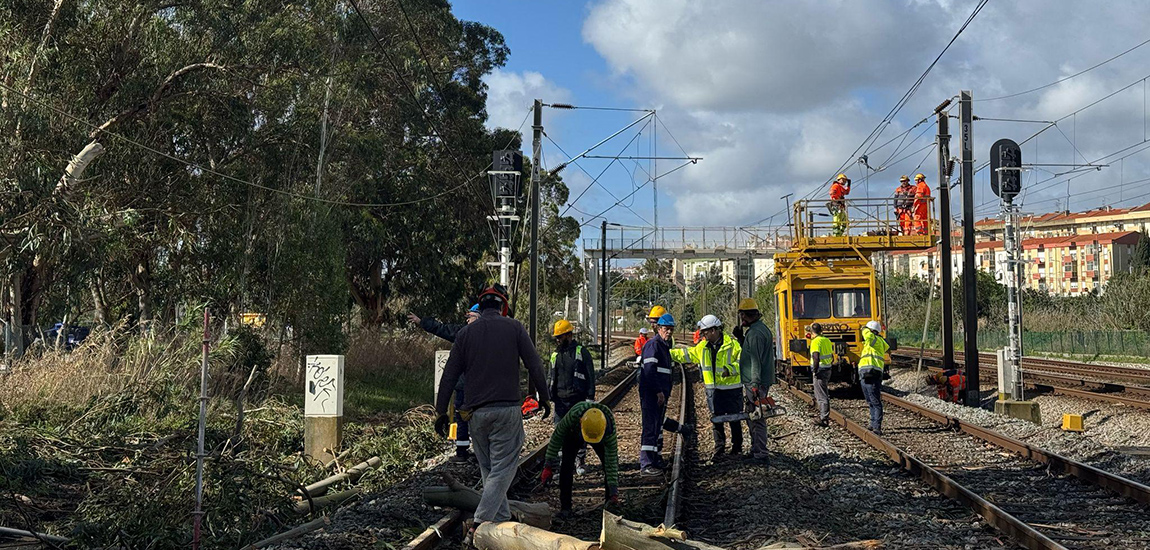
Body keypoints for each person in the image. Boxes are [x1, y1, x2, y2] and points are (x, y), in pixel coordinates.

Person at [434, 284, 551, 542]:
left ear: (481, 306)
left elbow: (449, 375)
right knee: (502, 469)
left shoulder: (466, 334)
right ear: (502, 307)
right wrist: (545, 397)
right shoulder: (514, 328)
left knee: (488, 469)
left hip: (476, 415)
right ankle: (479, 523)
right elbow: (535, 365)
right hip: (507, 411)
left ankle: (501, 521)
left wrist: (441, 412)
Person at [408, 304, 480, 462]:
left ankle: (464, 452)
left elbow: (444, 330)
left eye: (470, 316)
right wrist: (422, 322)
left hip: (469, 386)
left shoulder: (463, 334)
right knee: (468, 417)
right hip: (476, 387)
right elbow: (442, 328)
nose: (467, 319)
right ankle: (467, 450)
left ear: (478, 317)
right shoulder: (491, 335)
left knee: (465, 417)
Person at [672, 314, 743, 460]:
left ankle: (737, 447)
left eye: (705, 332)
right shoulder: (703, 347)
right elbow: (686, 354)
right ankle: (720, 448)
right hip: (713, 390)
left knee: (734, 419)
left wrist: (729, 369)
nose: (703, 335)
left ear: (714, 330)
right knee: (716, 420)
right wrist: (666, 353)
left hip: (732, 389)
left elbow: (743, 363)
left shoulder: (733, 345)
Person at [540, 402, 619, 518]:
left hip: (598, 436)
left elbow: (611, 462)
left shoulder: (609, 429)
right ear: (581, 421)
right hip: (574, 433)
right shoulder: (573, 416)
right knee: (566, 465)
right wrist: (548, 465)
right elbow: (557, 437)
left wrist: (614, 491)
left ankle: (610, 505)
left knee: (607, 464)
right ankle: (565, 507)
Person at [637, 313, 687, 476]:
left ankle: (656, 459)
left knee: (657, 426)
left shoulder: (664, 346)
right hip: (652, 394)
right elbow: (650, 372)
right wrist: (658, 391)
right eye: (666, 329)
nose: (669, 332)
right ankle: (646, 464)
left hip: (660, 393)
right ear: (659, 328)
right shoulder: (654, 345)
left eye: (671, 329)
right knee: (650, 427)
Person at [549, 319, 596, 475]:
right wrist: (547, 393)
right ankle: (564, 463)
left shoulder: (581, 352)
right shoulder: (555, 354)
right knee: (560, 432)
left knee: (579, 432)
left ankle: (580, 461)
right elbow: (551, 375)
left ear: (569, 335)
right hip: (560, 401)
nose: (558, 340)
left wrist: (590, 396)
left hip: (577, 399)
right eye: (557, 337)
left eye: (560, 337)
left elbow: (590, 374)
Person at [737, 299, 775, 464]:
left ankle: (760, 454)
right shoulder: (757, 330)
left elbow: (755, 361)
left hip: (756, 383)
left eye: (741, 315)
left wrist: (754, 385)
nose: (741, 319)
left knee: (757, 418)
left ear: (745, 315)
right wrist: (741, 339)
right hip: (757, 382)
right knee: (752, 416)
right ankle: (756, 450)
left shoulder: (755, 334)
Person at [858, 320, 890, 435]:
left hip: (872, 373)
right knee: (870, 400)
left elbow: (867, 334)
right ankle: (873, 424)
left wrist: (863, 328)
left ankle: (877, 426)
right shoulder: (874, 341)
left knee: (875, 401)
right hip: (866, 373)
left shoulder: (874, 339)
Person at [808, 322, 833, 427]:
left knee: (821, 395)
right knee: (824, 393)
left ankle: (823, 418)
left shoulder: (815, 341)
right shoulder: (826, 340)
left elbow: (816, 357)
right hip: (827, 368)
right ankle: (824, 416)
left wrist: (815, 370)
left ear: (812, 332)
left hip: (820, 370)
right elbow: (832, 356)